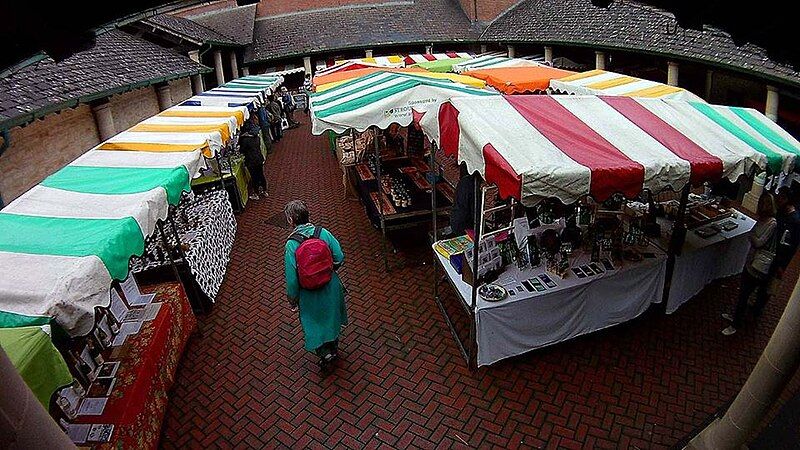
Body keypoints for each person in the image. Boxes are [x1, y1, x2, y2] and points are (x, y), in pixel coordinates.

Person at [283, 200, 348, 368]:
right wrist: (328, 270)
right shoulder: (323, 233)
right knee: (331, 318)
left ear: (291, 220)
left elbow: (292, 278)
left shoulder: (291, 244)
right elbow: (339, 256)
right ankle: (333, 347)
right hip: (330, 286)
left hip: (309, 293)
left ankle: (324, 353)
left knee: (314, 323)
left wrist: (293, 298)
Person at [722, 193, 778, 335]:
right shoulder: (762, 220)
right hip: (750, 261)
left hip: (758, 266)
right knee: (743, 293)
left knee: (745, 294)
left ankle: (736, 324)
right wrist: (753, 237)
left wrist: (753, 238)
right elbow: (754, 236)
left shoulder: (772, 223)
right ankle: (736, 317)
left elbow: (759, 241)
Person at [240, 114, 266, 200]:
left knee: (254, 177)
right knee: (261, 174)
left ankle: (256, 193)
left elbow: (242, 150)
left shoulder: (245, 140)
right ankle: (264, 190)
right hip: (259, 158)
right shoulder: (256, 137)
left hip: (251, 161)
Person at [450, 164, 479, 236]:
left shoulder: (464, 181)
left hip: (456, 220)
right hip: (464, 225)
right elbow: (475, 212)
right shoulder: (472, 185)